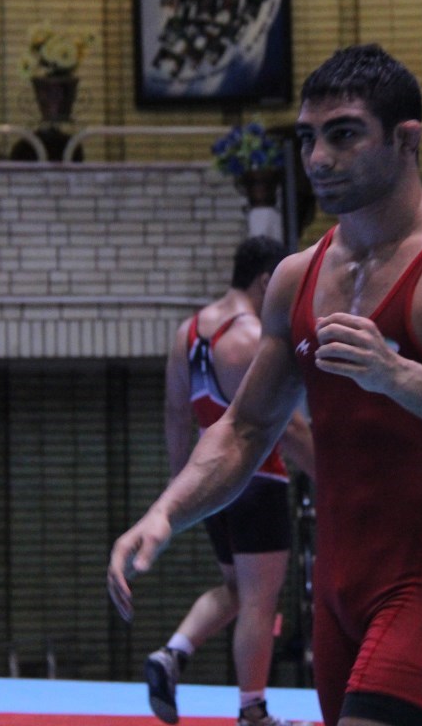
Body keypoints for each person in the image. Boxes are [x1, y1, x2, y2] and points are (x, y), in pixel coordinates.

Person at [109, 44, 422, 726]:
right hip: (338, 591)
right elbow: (247, 428)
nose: (318, 158)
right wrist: (167, 512)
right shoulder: (296, 278)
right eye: (307, 138)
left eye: (344, 135)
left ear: (406, 139)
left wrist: (397, 375)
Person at [145, 235, 316, 726]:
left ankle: (172, 653)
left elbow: (176, 414)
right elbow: (288, 426)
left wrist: (180, 489)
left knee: (237, 590)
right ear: (266, 280)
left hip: (211, 487)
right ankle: (252, 711)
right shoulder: (251, 336)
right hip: (257, 479)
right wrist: (331, 476)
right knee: (260, 601)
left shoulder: (188, 333)